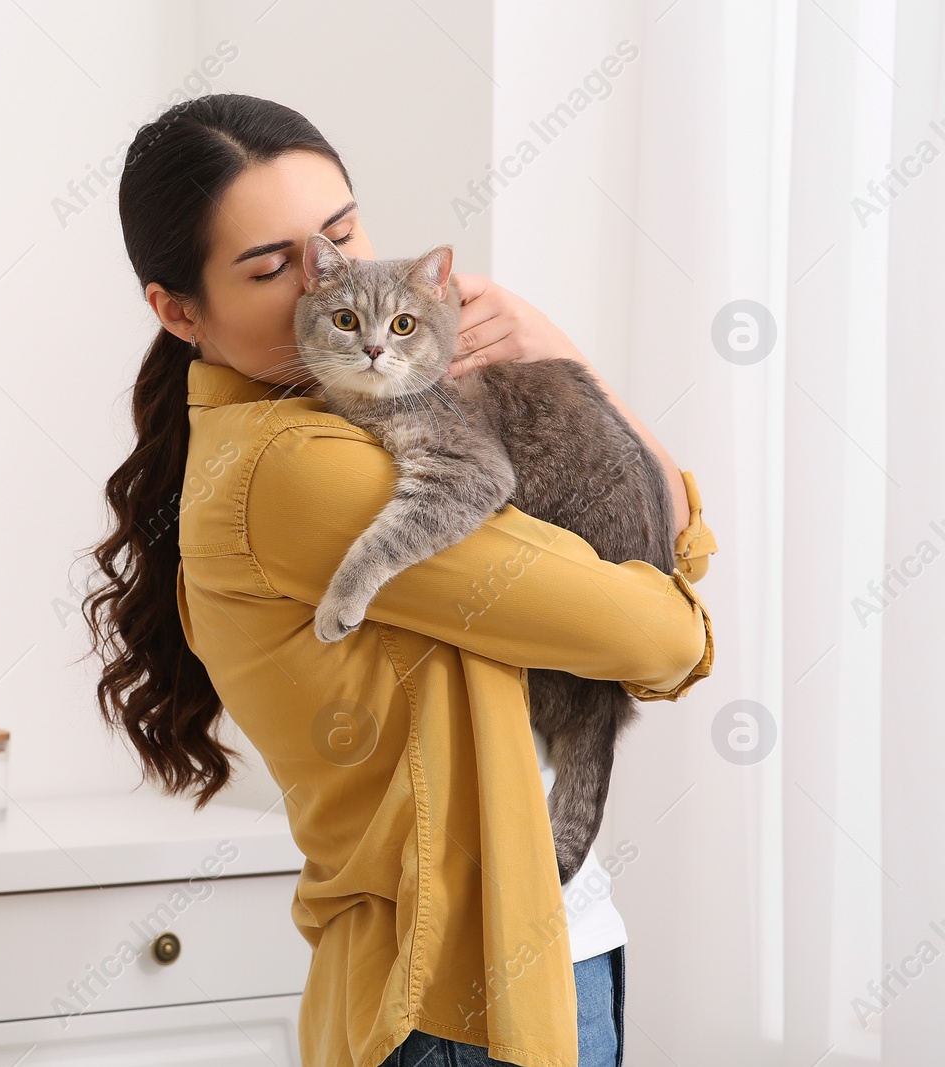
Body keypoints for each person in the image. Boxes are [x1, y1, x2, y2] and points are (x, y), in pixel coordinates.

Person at [82, 93, 717, 1067]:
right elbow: (665, 634)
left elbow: (663, 532)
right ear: (176, 311)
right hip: (469, 999)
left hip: (531, 957)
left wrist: (567, 368)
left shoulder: (348, 420)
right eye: (267, 266)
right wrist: (558, 360)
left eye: (337, 235)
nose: (321, 282)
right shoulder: (298, 466)